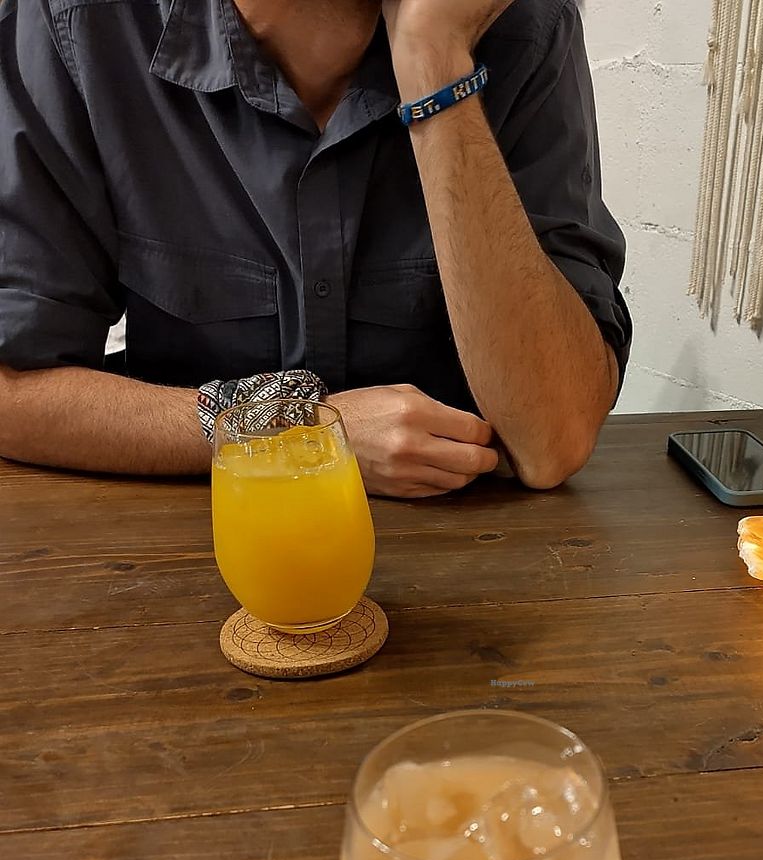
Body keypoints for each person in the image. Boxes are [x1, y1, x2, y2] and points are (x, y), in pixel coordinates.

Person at [0, 0, 631, 496]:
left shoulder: (520, 27)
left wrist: (434, 61)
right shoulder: (81, 22)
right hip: (184, 542)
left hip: (471, 552)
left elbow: (553, 442)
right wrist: (296, 430)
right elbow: (13, 393)